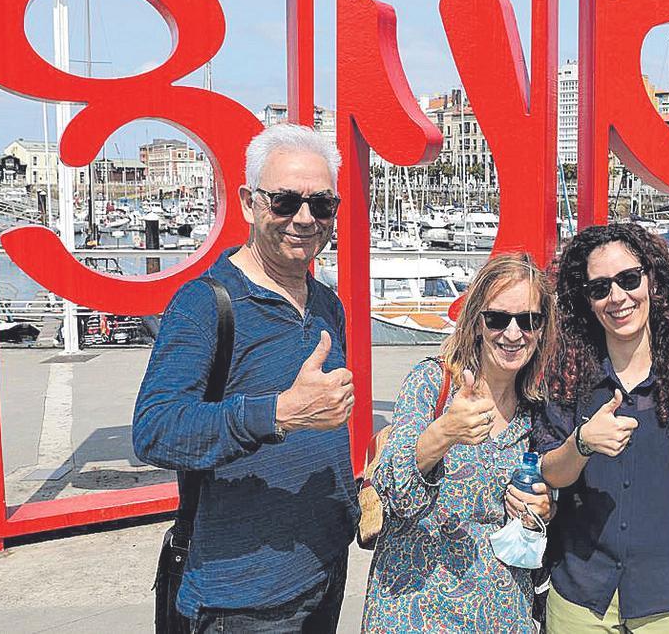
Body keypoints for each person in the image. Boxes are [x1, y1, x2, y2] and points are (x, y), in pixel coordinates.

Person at [133, 123, 356, 631]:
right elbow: (155, 429)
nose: (304, 218)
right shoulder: (205, 304)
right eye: (283, 202)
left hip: (324, 567)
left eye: (321, 205)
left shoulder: (326, 304)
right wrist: (277, 413)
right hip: (241, 596)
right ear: (248, 203)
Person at [536, 223, 669, 632]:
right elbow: (550, 472)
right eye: (600, 288)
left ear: (652, 281)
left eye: (629, 279)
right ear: (586, 301)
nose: (618, 298)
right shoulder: (567, 379)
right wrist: (583, 443)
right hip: (581, 594)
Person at [363, 253, 557, 632]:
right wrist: (443, 433)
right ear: (477, 322)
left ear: (542, 327)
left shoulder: (539, 411)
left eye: (528, 320)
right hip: (415, 612)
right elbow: (394, 493)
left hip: (501, 615)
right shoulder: (433, 384)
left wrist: (544, 510)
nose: (513, 334)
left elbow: (549, 521)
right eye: (498, 319)